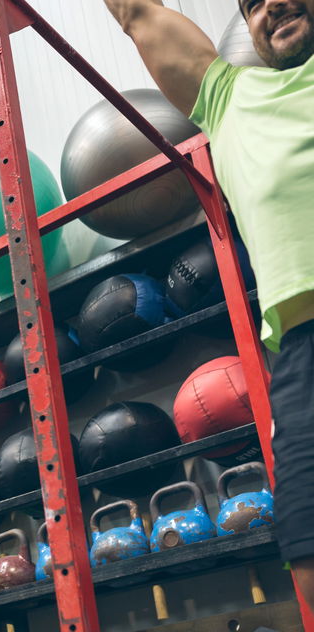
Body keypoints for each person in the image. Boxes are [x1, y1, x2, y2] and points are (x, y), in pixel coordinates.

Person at [103, 0, 314, 606]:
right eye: (250, 4)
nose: (269, 6)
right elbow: (136, 11)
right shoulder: (230, 99)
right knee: (308, 554)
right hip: (303, 354)